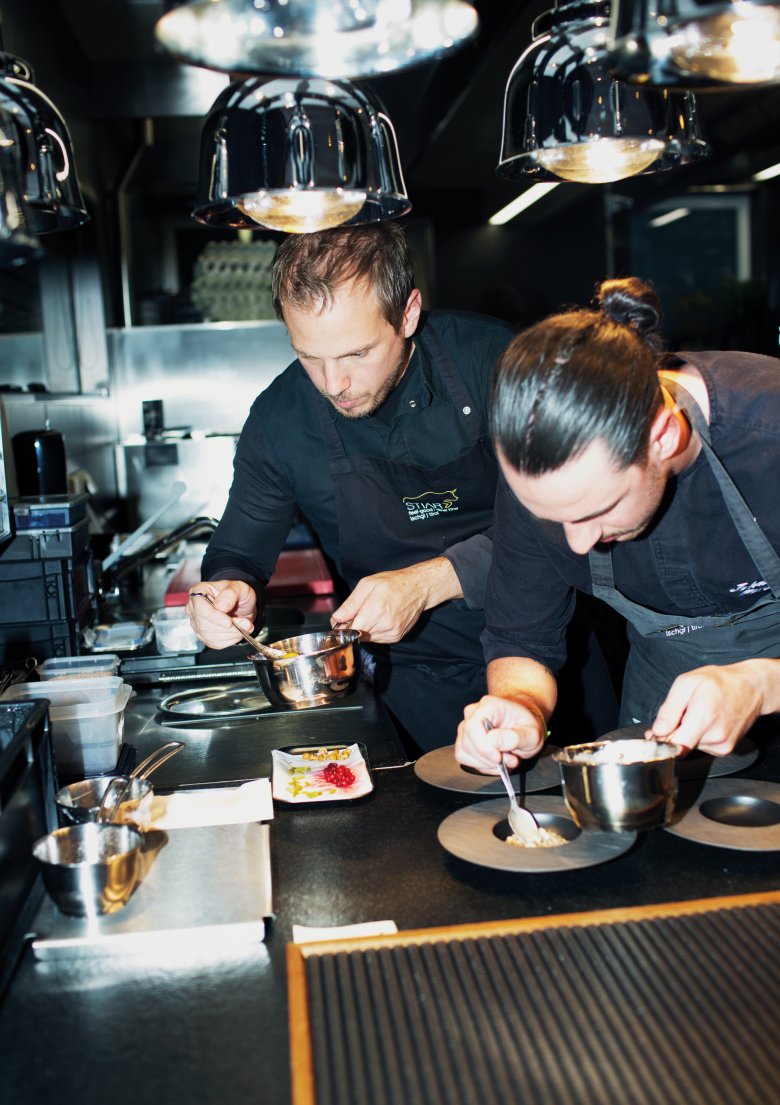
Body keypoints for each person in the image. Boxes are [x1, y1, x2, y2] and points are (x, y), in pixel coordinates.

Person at [185, 222, 515, 752]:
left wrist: (429, 582)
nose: (333, 383)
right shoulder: (281, 418)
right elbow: (236, 550)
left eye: (357, 354)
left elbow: (569, 523)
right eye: (309, 357)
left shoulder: (496, 362)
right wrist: (226, 591)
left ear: (407, 314)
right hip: (409, 685)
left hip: (545, 661)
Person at [455, 276, 780, 773]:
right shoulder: (542, 468)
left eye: (593, 511)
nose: (577, 540)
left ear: (664, 436)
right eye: (552, 517)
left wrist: (761, 684)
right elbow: (522, 637)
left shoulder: (769, 434)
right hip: (665, 699)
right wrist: (520, 706)